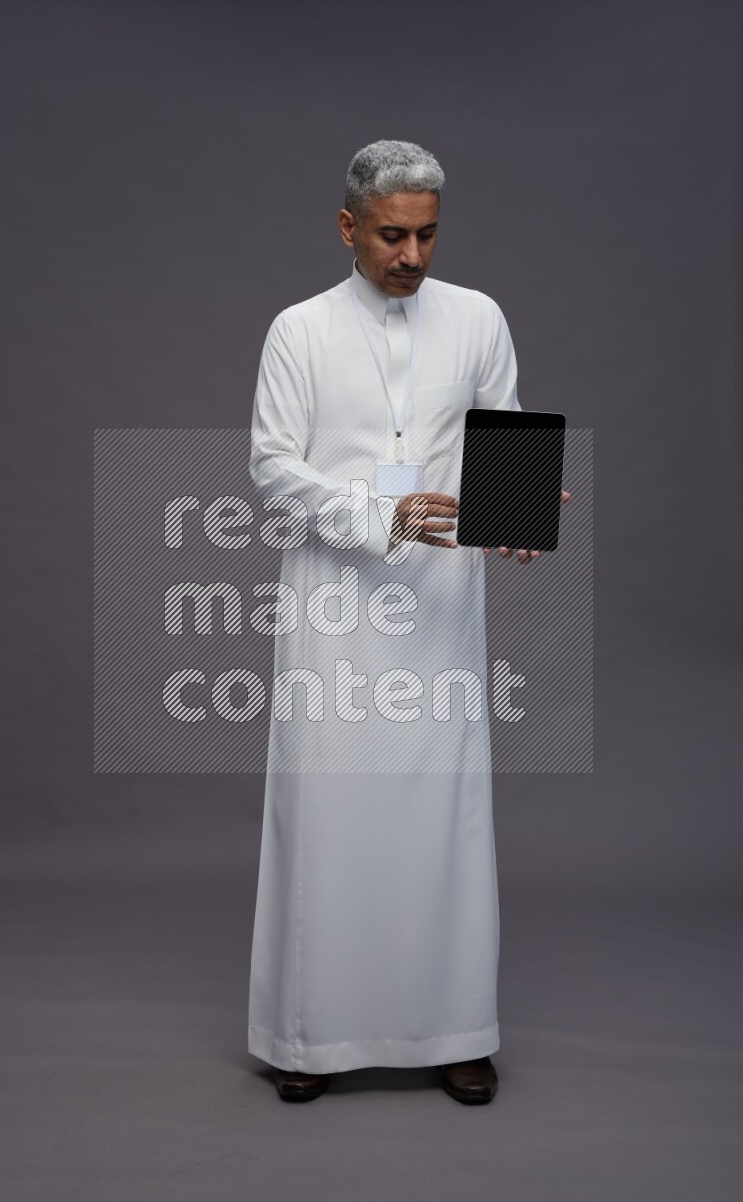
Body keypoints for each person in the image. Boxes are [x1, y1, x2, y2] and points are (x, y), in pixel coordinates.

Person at [246, 140, 569, 1104]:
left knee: (444, 818)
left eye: (428, 233)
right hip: (331, 609)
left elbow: (499, 428)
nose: (413, 255)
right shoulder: (298, 331)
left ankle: (454, 1026)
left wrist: (519, 510)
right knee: (326, 816)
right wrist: (377, 515)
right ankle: (308, 1039)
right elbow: (271, 471)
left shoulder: (477, 318)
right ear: (349, 227)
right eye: (393, 234)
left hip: (438, 610)